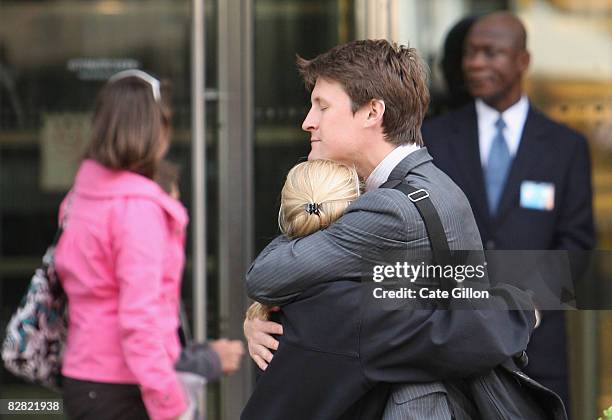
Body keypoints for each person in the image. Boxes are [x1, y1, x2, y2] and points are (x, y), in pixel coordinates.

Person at [243, 40, 537, 419]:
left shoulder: (394, 209)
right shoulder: (427, 185)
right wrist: (264, 316)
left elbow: (267, 278)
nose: (308, 121)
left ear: (372, 112)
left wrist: (306, 219)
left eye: (322, 106)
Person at [422, 12, 595, 414]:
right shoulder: (433, 137)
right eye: (469, 53)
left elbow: (577, 243)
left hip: (537, 351)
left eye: (490, 53)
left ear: (522, 62)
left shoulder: (565, 146)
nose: (475, 63)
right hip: (452, 346)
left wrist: (523, 305)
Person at [53, 70, 243, 420]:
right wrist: (171, 404)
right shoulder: (136, 208)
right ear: (155, 129)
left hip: (84, 379)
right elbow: (140, 321)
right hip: (127, 389)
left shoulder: (80, 197)